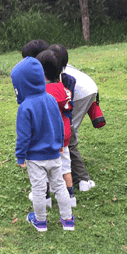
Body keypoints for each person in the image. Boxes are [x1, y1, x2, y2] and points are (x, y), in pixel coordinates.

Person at [11, 56, 75, 232]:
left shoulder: (24, 107)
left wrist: (20, 155)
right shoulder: (51, 100)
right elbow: (59, 123)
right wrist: (61, 142)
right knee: (59, 186)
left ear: (22, 85)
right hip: (54, 155)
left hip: (35, 159)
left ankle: (40, 222)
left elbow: (23, 136)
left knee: (38, 190)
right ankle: (68, 220)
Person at [49, 43, 106, 192]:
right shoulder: (59, 66)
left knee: (68, 135)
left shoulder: (57, 73)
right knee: (68, 132)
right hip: (89, 88)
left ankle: (82, 180)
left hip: (82, 94)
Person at [35, 49, 77, 207]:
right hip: (63, 136)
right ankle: (70, 197)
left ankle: (46, 199)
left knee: (43, 168)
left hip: (46, 137)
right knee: (66, 167)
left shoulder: (41, 92)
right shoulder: (64, 90)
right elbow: (68, 108)